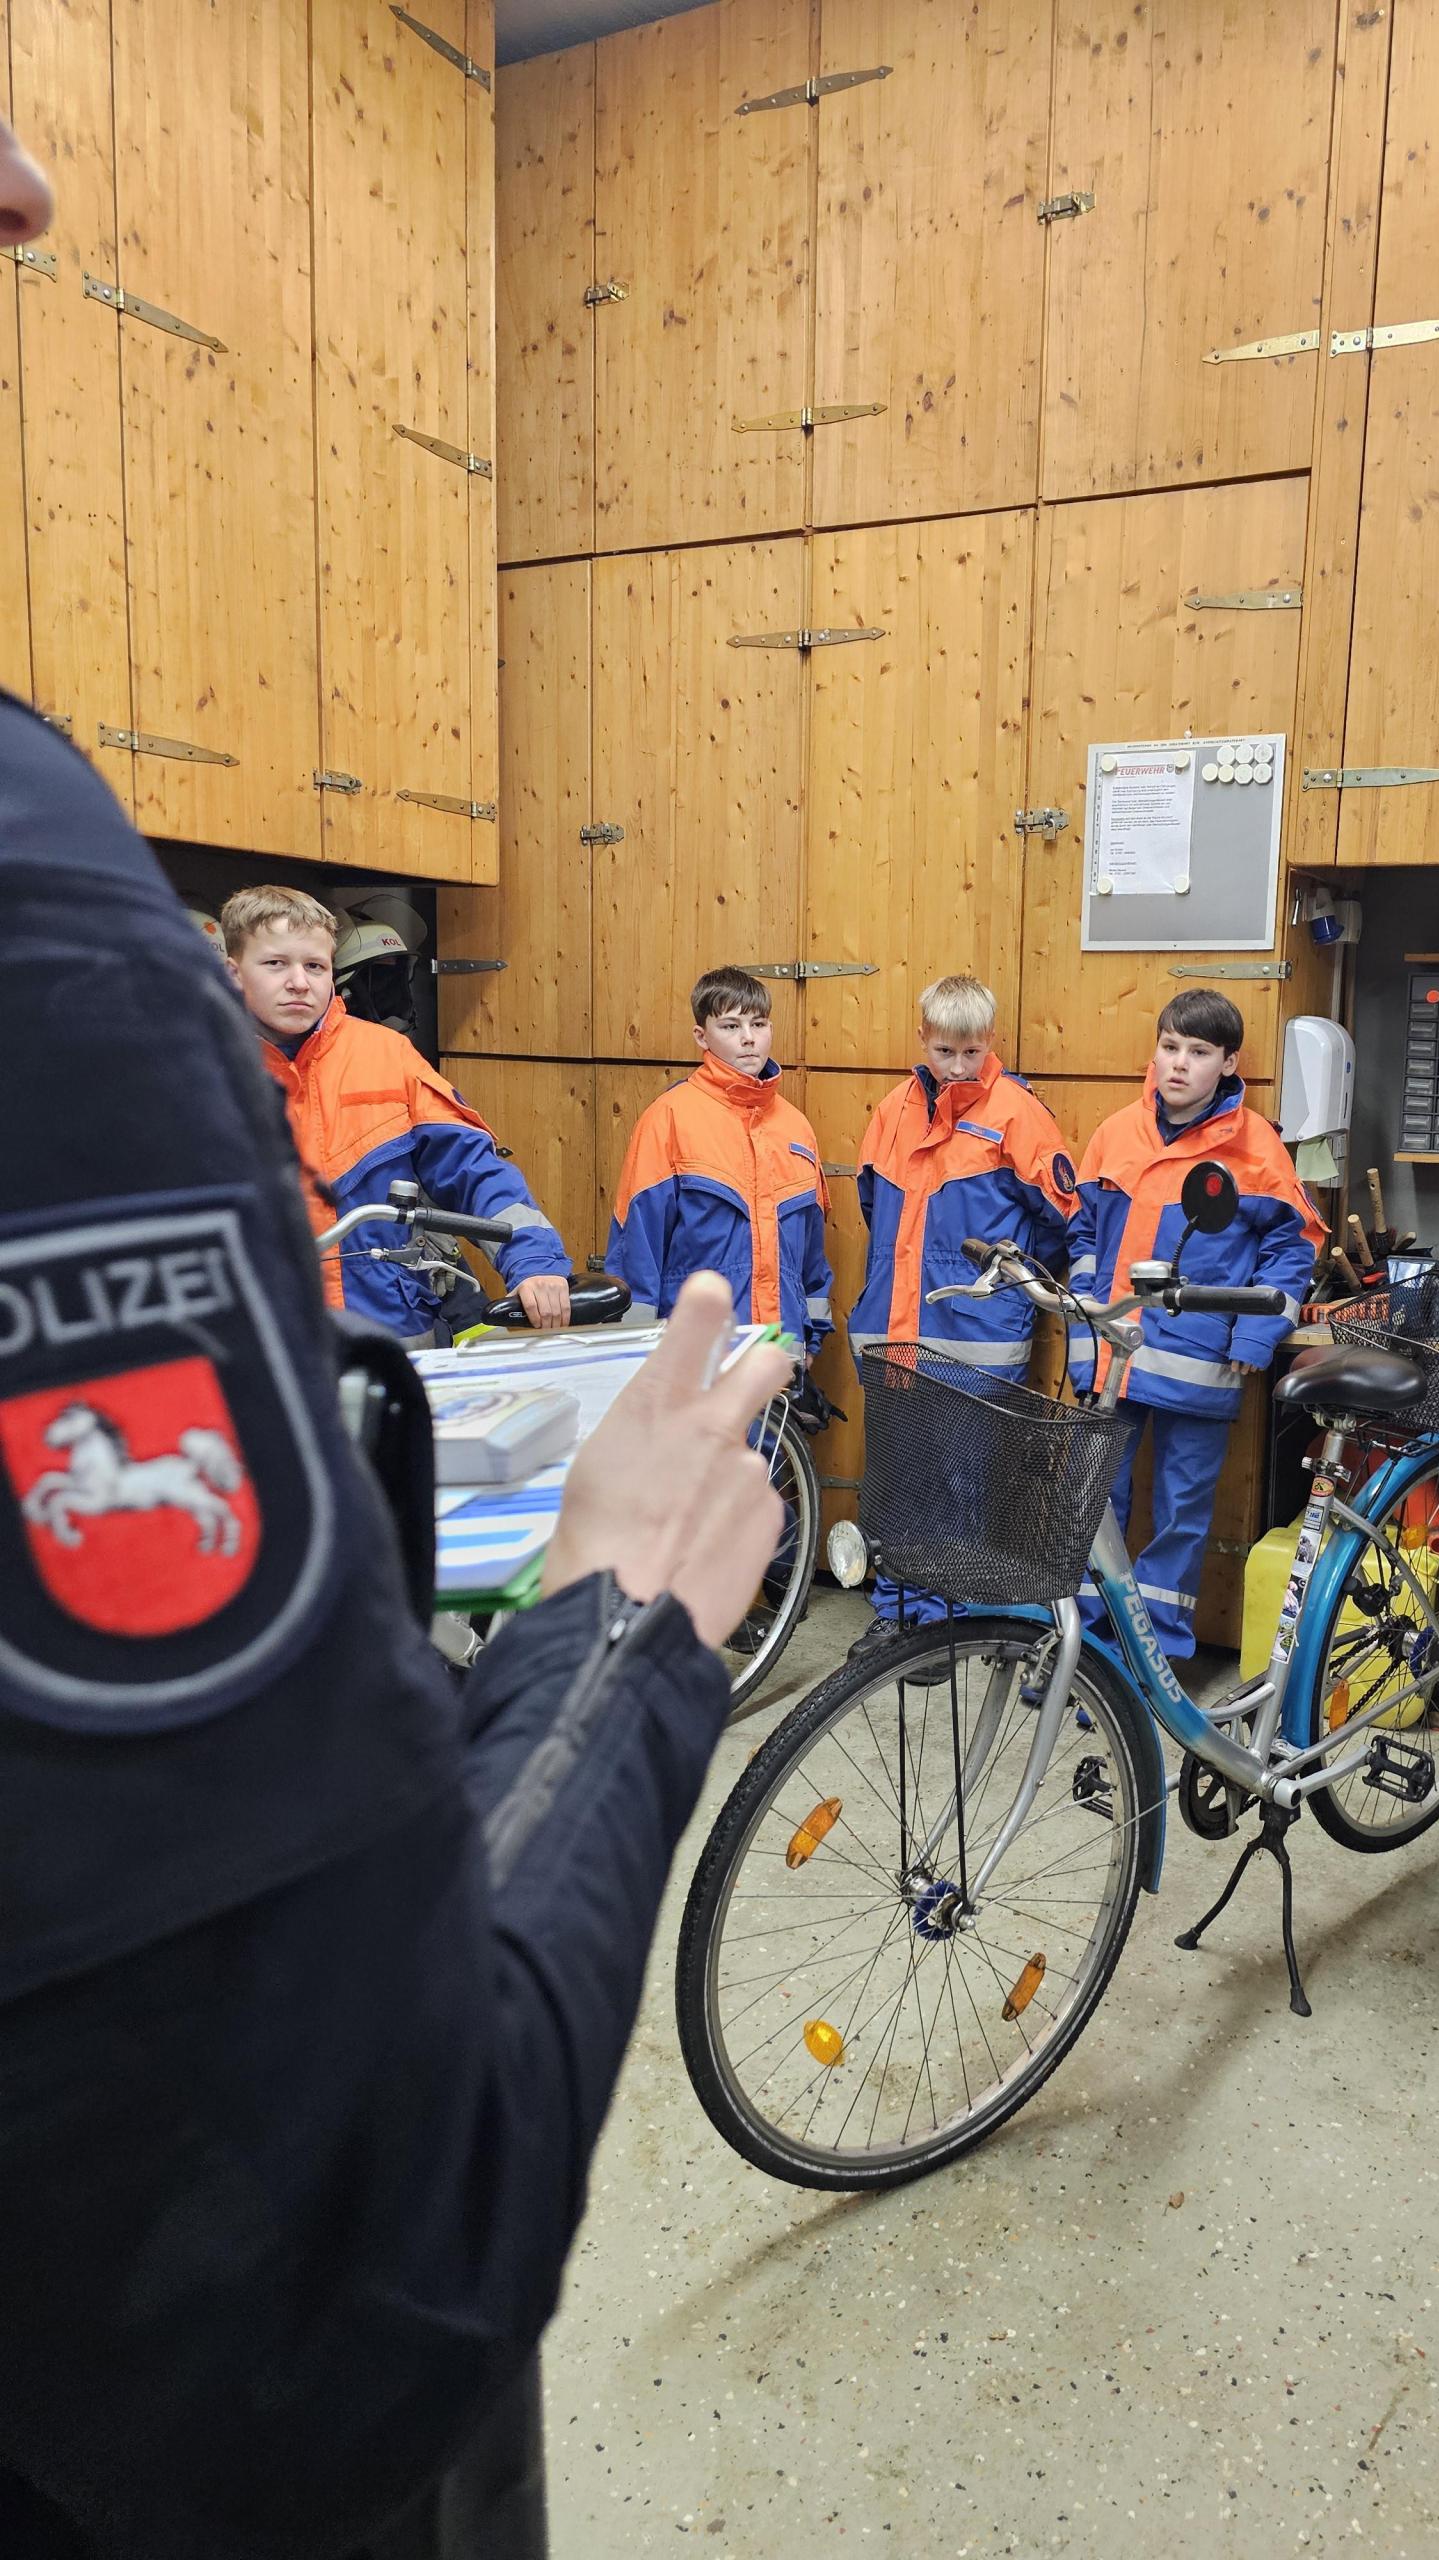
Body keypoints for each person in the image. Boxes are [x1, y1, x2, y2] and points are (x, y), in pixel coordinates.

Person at [0, 112, 792, 2558]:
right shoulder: (60, 944)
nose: (38, 173)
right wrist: (626, 1616)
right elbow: (331, 2284)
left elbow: (479, 1187)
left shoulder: (395, 1078)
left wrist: (530, 1252)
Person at [1066, 990, 1324, 1660]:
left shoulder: (1255, 1149)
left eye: (1199, 1052)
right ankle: (1088, 1657)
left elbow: (1293, 1247)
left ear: (1228, 1062)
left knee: (1180, 1518)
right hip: (1111, 1358)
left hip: (1201, 1360)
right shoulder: (1115, 1133)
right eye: (1170, 1046)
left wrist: (1257, 1333)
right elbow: (1082, 1236)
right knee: (1096, 1511)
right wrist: (1081, 1327)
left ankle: (1155, 1661)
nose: (1179, 1064)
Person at [844, 974, 1080, 1660]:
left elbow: (1064, 1221)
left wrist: (1010, 1288)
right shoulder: (891, 1111)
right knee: (896, 1480)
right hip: (895, 1329)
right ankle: (897, 1615)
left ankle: (950, 1625)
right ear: (922, 1038)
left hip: (975, 1339)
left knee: (962, 1482)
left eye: (971, 1052)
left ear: (991, 1042)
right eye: (945, 1050)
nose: (957, 1066)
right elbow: (873, 1211)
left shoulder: (1017, 1115)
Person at [223, 884, 573, 1340]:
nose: (298, 982)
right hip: (258, 1347)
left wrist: (533, 1262)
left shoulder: (388, 1056)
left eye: (314, 966)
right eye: (275, 964)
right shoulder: (194, 1072)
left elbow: (474, 1169)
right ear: (233, 972)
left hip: (392, 1339)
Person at [605, 966, 833, 1367]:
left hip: (779, 1357)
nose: (748, 1037)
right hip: (695, 1360)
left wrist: (810, 1341)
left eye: (758, 1024)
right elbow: (636, 1248)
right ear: (701, 1036)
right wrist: (633, 1353)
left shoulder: (796, 1127)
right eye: (730, 1025)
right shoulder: (669, 1119)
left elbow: (811, 1252)